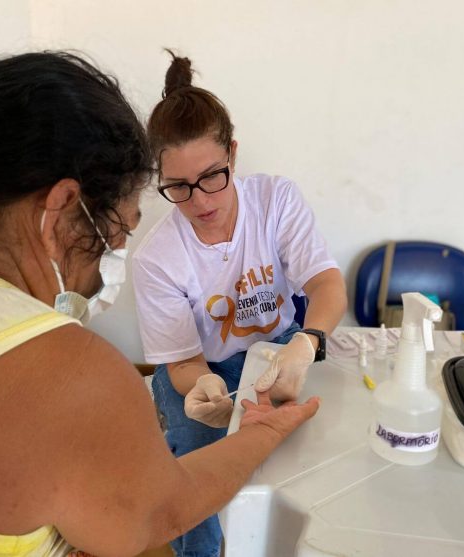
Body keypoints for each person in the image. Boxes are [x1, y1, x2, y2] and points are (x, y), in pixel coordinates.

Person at [0, 52, 321, 557]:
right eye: (115, 234)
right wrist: (264, 431)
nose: (110, 262)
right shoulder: (71, 375)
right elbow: (157, 514)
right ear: (59, 209)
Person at [132, 51, 348, 556]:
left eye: (212, 176)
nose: (202, 201)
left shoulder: (275, 201)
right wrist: (202, 384)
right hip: (202, 367)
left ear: (233, 154)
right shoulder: (157, 258)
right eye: (179, 188)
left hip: (280, 350)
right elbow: (183, 360)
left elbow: (326, 284)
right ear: (159, 181)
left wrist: (307, 341)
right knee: (197, 481)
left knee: (306, 458)